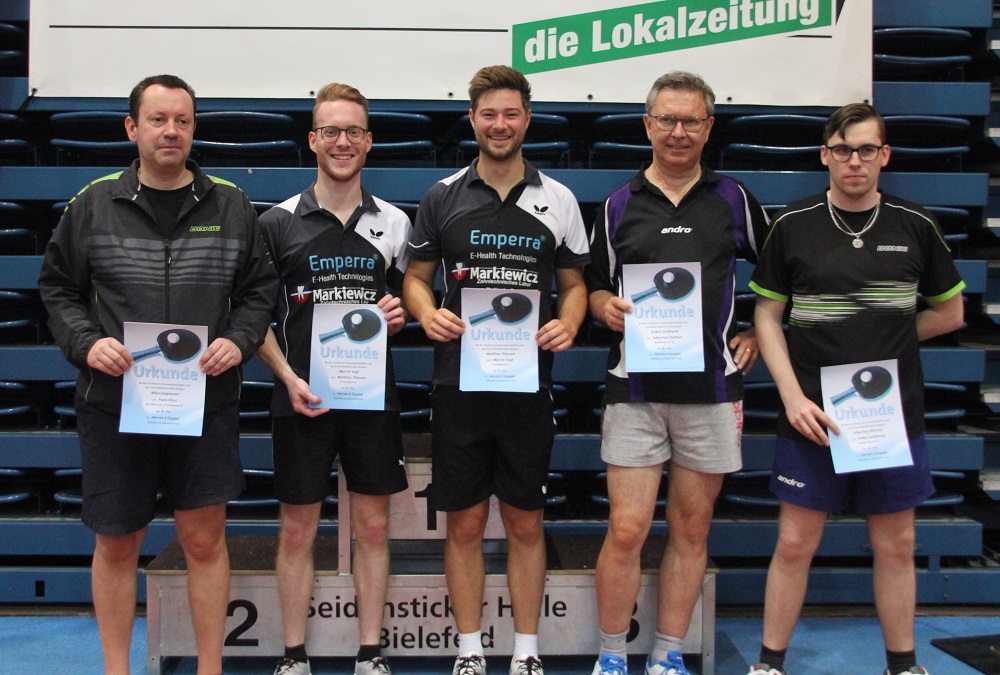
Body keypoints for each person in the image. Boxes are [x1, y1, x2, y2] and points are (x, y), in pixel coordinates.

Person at [38, 74, 278, 675]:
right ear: (132, 128)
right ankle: (115, 669)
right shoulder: (93, 204)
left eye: (183, 121)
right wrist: (87, 343)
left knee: (203, 541)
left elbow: (260, 292)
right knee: (117, 543)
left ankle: (209, 668)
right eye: (158, 119)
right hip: (114, 406)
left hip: (206, 405)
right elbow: (58, 289)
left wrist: (237, 341)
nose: (171, 131)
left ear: (193, 130)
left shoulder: (230, 204)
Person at [746, 103, 966, 675]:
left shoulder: (915, 224)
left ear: (884, 155)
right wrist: (793, 398)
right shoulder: (792, 224)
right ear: (825, 155)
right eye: (842, 150)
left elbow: (950, 313)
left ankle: (903, 665)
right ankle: (768, 664)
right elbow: (767, 317)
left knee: (896, 545)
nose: (854, 161)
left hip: (889, 416)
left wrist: (887, 334)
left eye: (867, 149)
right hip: (811, 415)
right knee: (794, 543)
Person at [403, 65, 589, 675]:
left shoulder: (559, 199)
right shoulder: (442, 196)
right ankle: (469, 649)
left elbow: (574, 285)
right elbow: (415, 279)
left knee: (525, 522)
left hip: (527, 386)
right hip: (458, 384)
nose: (500, 124)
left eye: (511, 114)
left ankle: (527, 651)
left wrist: (569, 322)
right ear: (473, 120)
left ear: (527, 119)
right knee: (463, 523)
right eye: (489, 114)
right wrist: (426, 313)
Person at [585, 71, 768, 675]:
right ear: (648, 124)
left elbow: (782, 276)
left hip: (712, 392)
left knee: (691, 530)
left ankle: (667, 654)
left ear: (709, 127)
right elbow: (592, 286)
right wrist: (603, 308)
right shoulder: (618, 204)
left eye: (691, 121)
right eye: (667, 119)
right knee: (627, 528)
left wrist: (758, 332)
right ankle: (612, 656)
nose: (679, 132)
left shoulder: (734, 199)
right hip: (634, 390)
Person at [255, 83, 410, 675]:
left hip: (372, 398)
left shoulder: (395, 223)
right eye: (330, 131)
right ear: (312, 140)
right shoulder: (276, 223)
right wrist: (286, 376)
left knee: (372, 527)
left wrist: (400, 313)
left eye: (353, 132)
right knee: (297, 531)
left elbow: (411, 300)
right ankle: (293, 656)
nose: (342, 142)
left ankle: (370, 653)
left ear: (368, 142)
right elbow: (254, 318)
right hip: (302, 398)